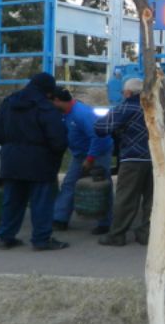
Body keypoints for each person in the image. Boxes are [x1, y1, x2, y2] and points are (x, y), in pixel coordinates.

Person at [0, 72, 69, 251]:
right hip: (40, 161)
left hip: (11, 158)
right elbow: (57, 139)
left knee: (12, 200)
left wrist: (11, 147)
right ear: (47, 91)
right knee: (41, 202)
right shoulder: (46, 108)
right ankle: (41, 239)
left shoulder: (8, 103)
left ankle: (6, 236)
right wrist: (55, 154)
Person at [94, 78, 152, 246]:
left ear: (128, 93)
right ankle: (146, 234)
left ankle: (117, 235)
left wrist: (119, 129)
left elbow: (100, 128)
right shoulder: (155, 108)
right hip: (156, 161)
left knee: (126, 199)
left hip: (132, 159)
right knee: (152, 200)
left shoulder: (126, 107)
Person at [51, 88, 114, 235]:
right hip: (80, 154)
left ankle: (105, 222)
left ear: (58, 101)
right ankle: (60, 219)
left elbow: (99, 136)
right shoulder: (66, 114)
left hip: (98, 152)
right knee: (69, 184)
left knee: (102, 185)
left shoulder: (81, 113)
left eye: (51, 102)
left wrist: (90, 158)